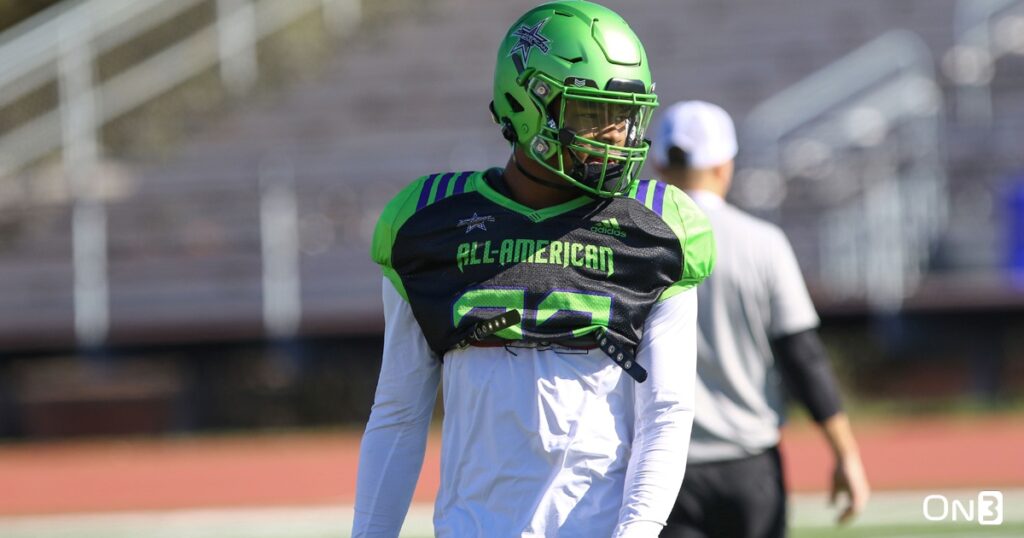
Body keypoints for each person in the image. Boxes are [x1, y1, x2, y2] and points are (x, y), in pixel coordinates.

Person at [352, 2, 716, 536]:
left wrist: (637, 531)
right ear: (528, 105)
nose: (615, 135)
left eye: (625, 115)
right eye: (593, 114)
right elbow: (399, 414)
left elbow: (666, 411)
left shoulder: (658, 228)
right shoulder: (428, 226)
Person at [652, 101, 870, 538]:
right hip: (748, 465)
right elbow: (802, 355)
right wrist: (844, 452)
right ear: (724, 166)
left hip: (658, 464)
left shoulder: (631, 246)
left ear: (658, 162)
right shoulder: (763, 243)